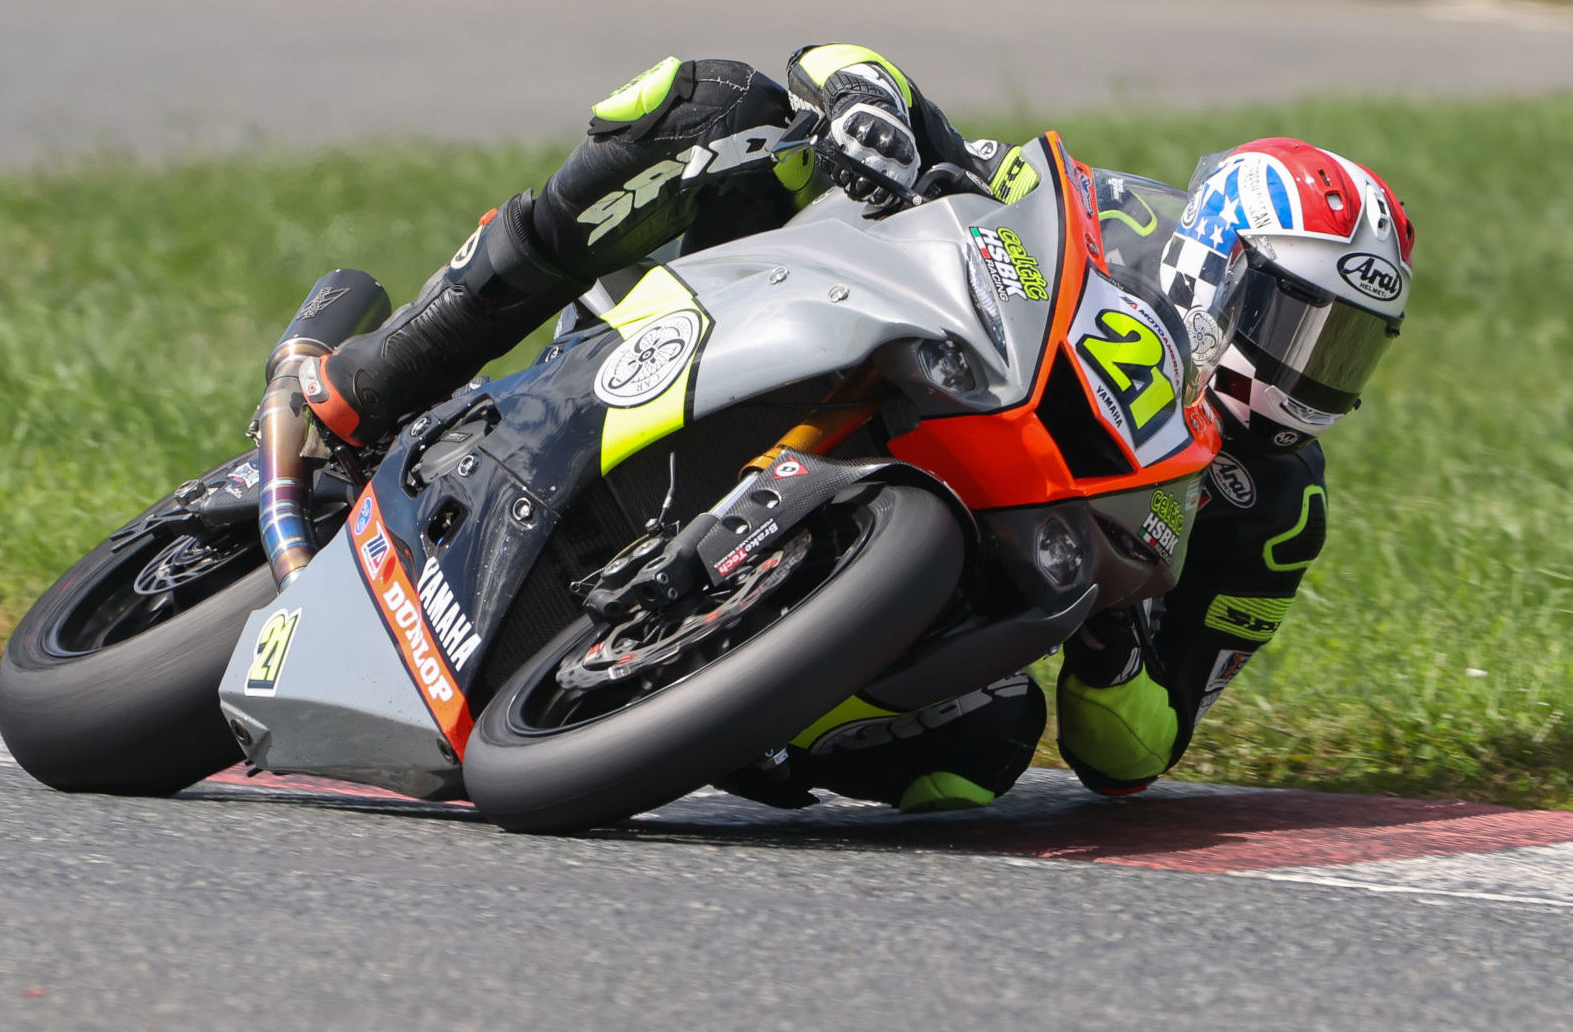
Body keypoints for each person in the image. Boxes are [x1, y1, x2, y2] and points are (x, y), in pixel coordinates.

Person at [295, 45, 1416, 812]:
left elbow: (1135, 761)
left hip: (977, 562)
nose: (1308, 368)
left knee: (980, 757)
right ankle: (385, 376)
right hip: (839, 335)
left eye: (1346, 345)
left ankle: (703, 706)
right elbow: (864, 77)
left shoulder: (1276, 513)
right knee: (712, 102)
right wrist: (872, 114)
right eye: (1295, 321)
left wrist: (1124, 623)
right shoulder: (1111, 224)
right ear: (1211, 263)